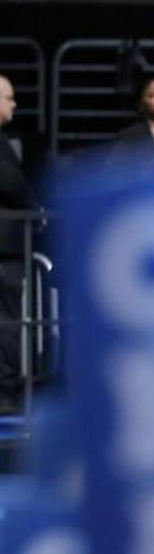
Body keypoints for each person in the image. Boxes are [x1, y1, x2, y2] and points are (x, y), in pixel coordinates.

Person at [0, 76, 33, 412]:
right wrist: (35, 208)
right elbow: (11, 184)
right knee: (7, 322)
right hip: (4, 248)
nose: (14, 104)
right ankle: (3, 396)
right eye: (8, 98)